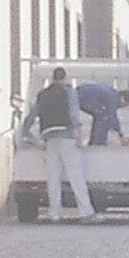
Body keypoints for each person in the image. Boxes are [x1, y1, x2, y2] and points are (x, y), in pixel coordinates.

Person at [21, 68, 99, 223]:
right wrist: (79, 134)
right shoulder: (69, 92)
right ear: (65, 78)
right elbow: (74, 113)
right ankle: (85, 212)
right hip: (67, 136)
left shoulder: (43, 94)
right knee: (76, 176)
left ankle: (55, 213)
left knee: (53, 177)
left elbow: (32, 115)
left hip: (49, 137)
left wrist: (27, 133)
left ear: (52, 78)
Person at [76, 80, 129, 148]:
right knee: (102, 115)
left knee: (102, 113)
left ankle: (97, 140)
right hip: (82, 96)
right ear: (123, 99)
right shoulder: (113, 98)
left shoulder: (112, 93)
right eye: (125, 105)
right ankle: (98, 142)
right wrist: (121, 135)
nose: (123, 107)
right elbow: (112, 117)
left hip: (81, 92)